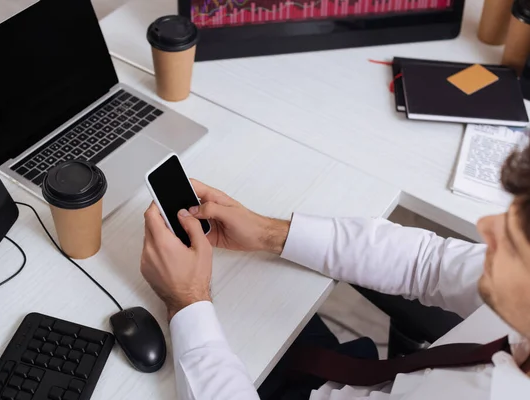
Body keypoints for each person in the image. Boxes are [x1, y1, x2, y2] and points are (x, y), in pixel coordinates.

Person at [139, 145, 530, 400]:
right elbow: (428, 263)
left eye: (513, 241)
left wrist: (187, 299)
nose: (487, 229)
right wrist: (267, 233)